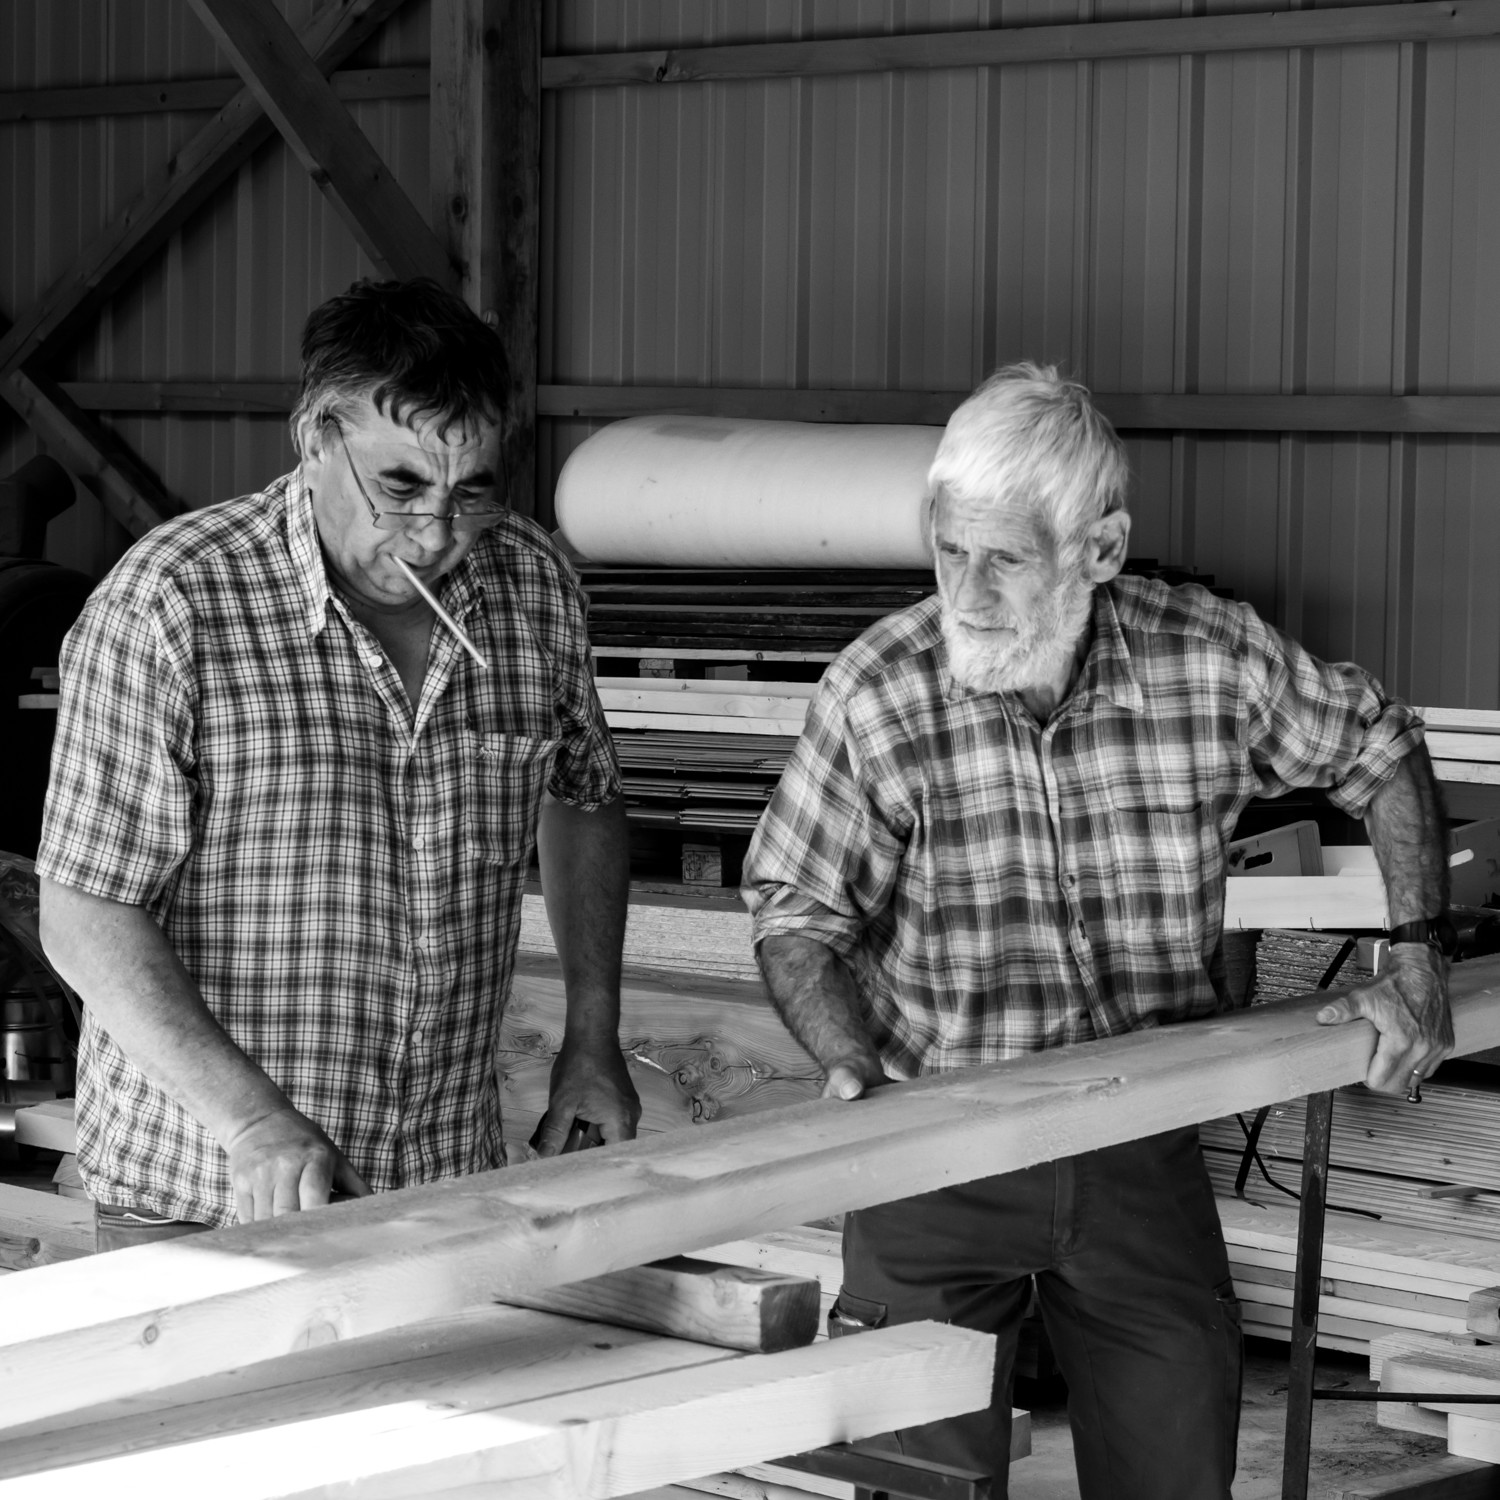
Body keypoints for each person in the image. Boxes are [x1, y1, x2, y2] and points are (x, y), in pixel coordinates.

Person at [741, 363, 1452, 1499]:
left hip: (1141, 1139)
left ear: (1102, 550)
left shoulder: (1210, 658)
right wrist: (847, 1070)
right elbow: (797, 912)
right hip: (935, 1139)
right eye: (949, 550)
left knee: (1176, 1469)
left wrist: (1415, 954)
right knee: (915, 1481)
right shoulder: (879, 689)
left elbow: (1382, 749)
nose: (966, 594)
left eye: (1007, 559)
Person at [37, 277, 638, 1249]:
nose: (438, 536)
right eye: (398, 488)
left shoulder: (531, 583)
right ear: (315, 438)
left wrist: (591, 1037)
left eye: (471, 492)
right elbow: (83, 912)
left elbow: (583, 800)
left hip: (443, 1175)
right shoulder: (172, 603)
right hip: (208, 1190)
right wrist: (252, 1119)